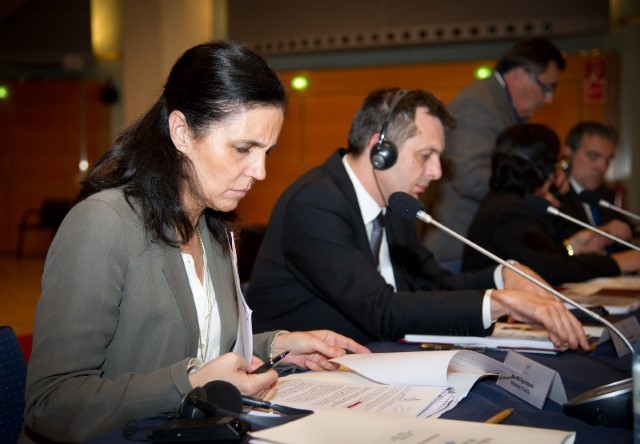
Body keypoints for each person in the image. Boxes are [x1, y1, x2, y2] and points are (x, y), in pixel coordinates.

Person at [21, 41, 368, 443]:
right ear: (182, 132)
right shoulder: (102, 224)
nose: (260, 171)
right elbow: (51, 404)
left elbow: (196, 349)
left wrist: (281, 345)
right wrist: (189, 384)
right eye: (243, 149)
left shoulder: (211, 227)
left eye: (267, 152)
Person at [247, 87, 589, 352]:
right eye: (426, 156)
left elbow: (435, 284)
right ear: (380, 150)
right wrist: (496, 304)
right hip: (297, 378)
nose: (437, 172)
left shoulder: (396, 204)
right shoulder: (315, 203)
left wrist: (503, 277)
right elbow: (381, 311)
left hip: (370, 361)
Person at [423, 37, 566, 272]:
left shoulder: (501, 106)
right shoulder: (477, 105)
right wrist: (531, 193)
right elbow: (471, 177)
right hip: (460, 246)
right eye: (546, 87)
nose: (548, 99)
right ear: (520, 74)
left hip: (484, 245)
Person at [462, 123, 640, 284]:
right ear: (541, 169)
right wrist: (619, 263)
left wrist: (572, 246)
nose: (558, 172)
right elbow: (550, 270)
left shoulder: (508, 201)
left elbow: (542, 259)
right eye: (556, 164)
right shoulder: (511, 210)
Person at [552, 121, 636, 254]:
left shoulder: (604, 194)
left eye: (608, 160)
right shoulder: (555, 195)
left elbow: (628, 230)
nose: (602, 167)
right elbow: (560, 251)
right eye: (593, 157)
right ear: (568, 152)